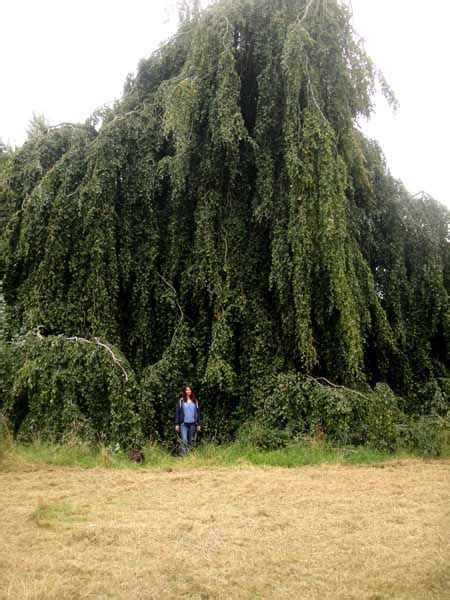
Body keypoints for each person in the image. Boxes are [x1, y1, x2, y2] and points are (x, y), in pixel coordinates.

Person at [175, 385, 201, 454]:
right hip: (183, 424)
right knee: (184, 440)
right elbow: (178, 413)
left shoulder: (195, 401)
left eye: (189, 390)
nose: (188, 391)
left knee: (190, 441)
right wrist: (177, 424)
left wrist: (198, 424)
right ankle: (184, 456)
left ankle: (189, 456)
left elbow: (197, 413)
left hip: (192, 424)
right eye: (186, 390)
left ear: (191, 391)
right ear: (184, 391)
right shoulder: (181, 401)